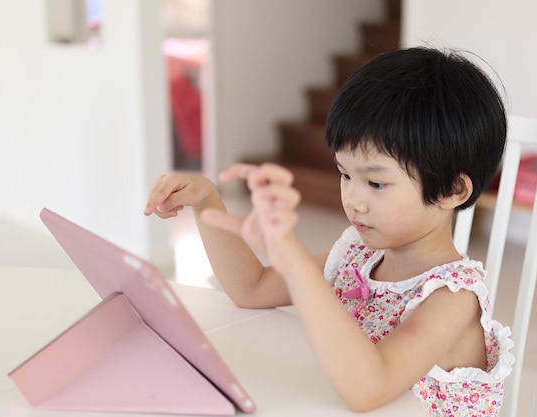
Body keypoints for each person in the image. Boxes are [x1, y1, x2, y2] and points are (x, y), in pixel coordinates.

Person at [144, 46, 514, 417]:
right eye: (345, 174)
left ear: (452, 190)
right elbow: (251, 288)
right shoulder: (359, 256)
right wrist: (208, 202)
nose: (353, 199)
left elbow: (368, 390)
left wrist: (299, 266)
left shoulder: (452, 298)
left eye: (376, 183)